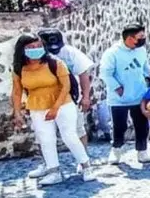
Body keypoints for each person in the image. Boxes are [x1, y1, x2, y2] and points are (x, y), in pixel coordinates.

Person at [10, 33, 95, 186]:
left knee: (69, 136)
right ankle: (53, 171)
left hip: (62, 103)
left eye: (38, 46)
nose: (35, 49)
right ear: (22, 50)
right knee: (46, 139)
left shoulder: (55, 63)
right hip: (37, 105)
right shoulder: (19, 68)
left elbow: (66, 86)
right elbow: (16, 91)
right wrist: (17, 112)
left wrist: (55, 107)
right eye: (30, 47)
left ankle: (86, 166)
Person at [99, 23, 150, 165]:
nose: (143, 39)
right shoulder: (112, 53)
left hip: (139, 94)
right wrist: (117, 88)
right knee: (119, 126)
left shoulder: (140, 50)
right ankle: (116, 149)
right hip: (119, 99)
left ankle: (142, 151)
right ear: (130, 38)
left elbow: (144, 66)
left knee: (142, 125)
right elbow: (105, 74)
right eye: (140, 37)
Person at [36, 28, 93, 146]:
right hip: (44, 99)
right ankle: (49, 162)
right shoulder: (34, 57)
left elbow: (83, 74)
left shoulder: (70, 53)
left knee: (78, 129)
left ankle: (84, 160)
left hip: (71, 97)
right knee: (45, 133)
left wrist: (86, 97)